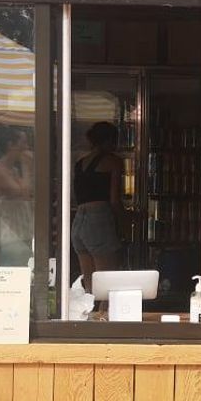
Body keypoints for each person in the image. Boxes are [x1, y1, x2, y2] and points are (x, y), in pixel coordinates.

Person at [71, 121, 126, 292]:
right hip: (99, 220)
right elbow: (114, 200)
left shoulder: (79, 163)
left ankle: (90, 309)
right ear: (109, 140)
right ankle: (103, 311)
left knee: (90, 284)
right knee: (107, 284)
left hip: (79, 221)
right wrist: (124, 221)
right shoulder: (113, 162)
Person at [0, 125, 34, 266]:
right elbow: (23, 194)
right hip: (10, 237)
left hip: (23, 233)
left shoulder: (13, 170)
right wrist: (26, 166)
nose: (26, 148)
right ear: (10, 145)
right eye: (23, 143)